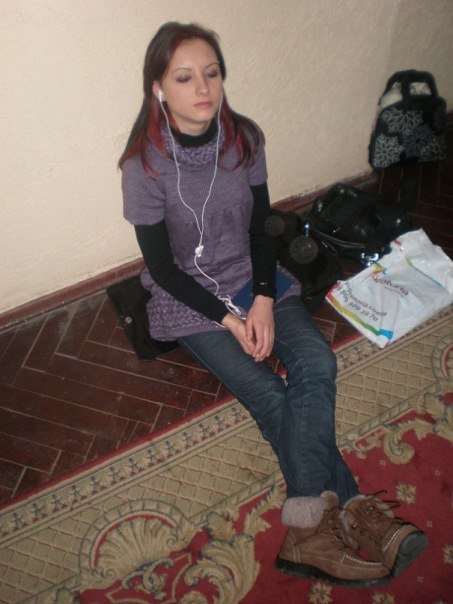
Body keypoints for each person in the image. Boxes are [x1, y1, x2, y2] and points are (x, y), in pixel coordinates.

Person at [119, 21, 428, 588]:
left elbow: (266, 226)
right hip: (191, 299)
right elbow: (162, 269)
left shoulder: (244, 139)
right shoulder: (143, 167)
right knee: (268, 392)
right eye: (184, 77)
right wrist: (230, 319)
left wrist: (262, 298)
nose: (203, 87)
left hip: (251, 278)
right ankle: (351, 505)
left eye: (211, 73)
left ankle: (308, 526)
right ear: (158, 88)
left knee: (317, 361)